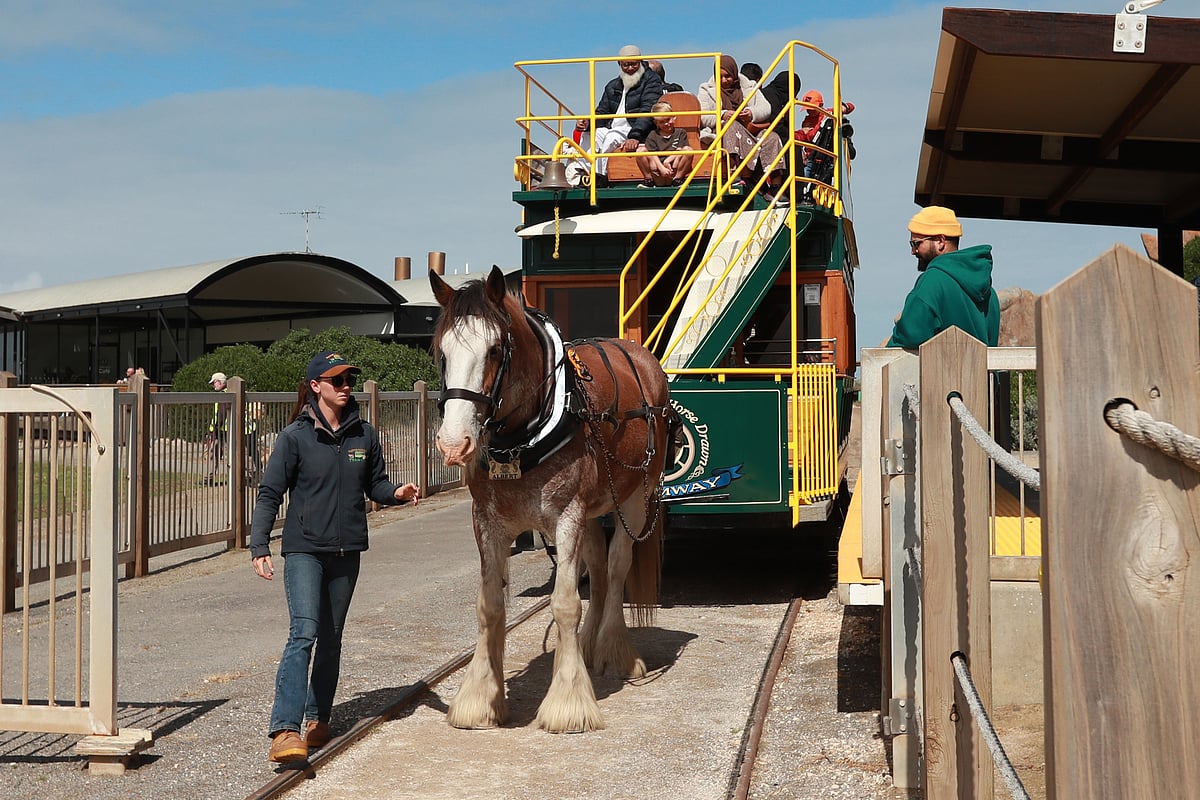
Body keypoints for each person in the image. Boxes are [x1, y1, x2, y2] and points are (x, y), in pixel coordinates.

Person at [250, 351, 419, 764]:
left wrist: (395, 493)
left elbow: (375, 485)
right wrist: (259, 546)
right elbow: (270, 493)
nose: (345, 387)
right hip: (305, 549)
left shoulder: (365, 435)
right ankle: (285, 729)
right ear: (315, 387)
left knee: (332, 638)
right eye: (336, 380)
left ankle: (317, 717)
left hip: (347, 552)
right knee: (304, 633)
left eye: (349, 380)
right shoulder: (294, 437)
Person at [888, 206, 1000, 349]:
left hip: (943, 370)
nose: (913, 251)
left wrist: (901, 325)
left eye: (916, 243)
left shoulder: (933, 281)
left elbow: (908, 338)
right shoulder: (990, 293)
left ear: (941, 241)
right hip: (980, 371)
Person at [573, 45, 664, 185]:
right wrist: (588, 123)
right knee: (590, 134)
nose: (629, 68)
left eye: (633, 64)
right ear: (619, 64)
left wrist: (635, 136)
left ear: (640, 62)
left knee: (612, 137)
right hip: (612, 127)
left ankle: (601, 177)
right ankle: (584, 173)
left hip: (634, 129)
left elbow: (648, 110)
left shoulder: (651, 80)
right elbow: (602, 111)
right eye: (625, 64)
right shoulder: (613, 85)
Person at [697, 55, 783, 190]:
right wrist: (723, 114)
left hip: (749, 130)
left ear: (734, 73)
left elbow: (766, 109)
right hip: (722, 132)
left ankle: (776, 188)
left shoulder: (749, 86)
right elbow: (702, 116)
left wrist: (751, 113)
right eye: (719, 76)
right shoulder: (706, 90)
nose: (723, 80)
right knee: (730, 125)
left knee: (772, 137)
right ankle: (734, 174)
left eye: (727, 76)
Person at [636, 100, 694, 187]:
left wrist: (667, 161)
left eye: (668, 119)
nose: (666, 124)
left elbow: (681, 149)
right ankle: (649, 180)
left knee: (688, 150)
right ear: (656, 123)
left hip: (674, 168)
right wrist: (662, 168)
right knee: (641, 151)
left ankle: (678, 179)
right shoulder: (653, 134)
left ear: (674, 117)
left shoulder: (680, 132)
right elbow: (652, 154)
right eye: (662, 122)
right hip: (658, 170)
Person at [200, 372, 229, 485]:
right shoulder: (226, 394)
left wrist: (213, 430)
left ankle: (209, 479)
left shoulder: (224, 395)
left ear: (221, 382)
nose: (213, 385)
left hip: (222, 431)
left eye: (214, 382)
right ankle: (208, 478)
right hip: (221, 430)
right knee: (214, 454)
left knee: (215, 454)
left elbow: (221, 415)